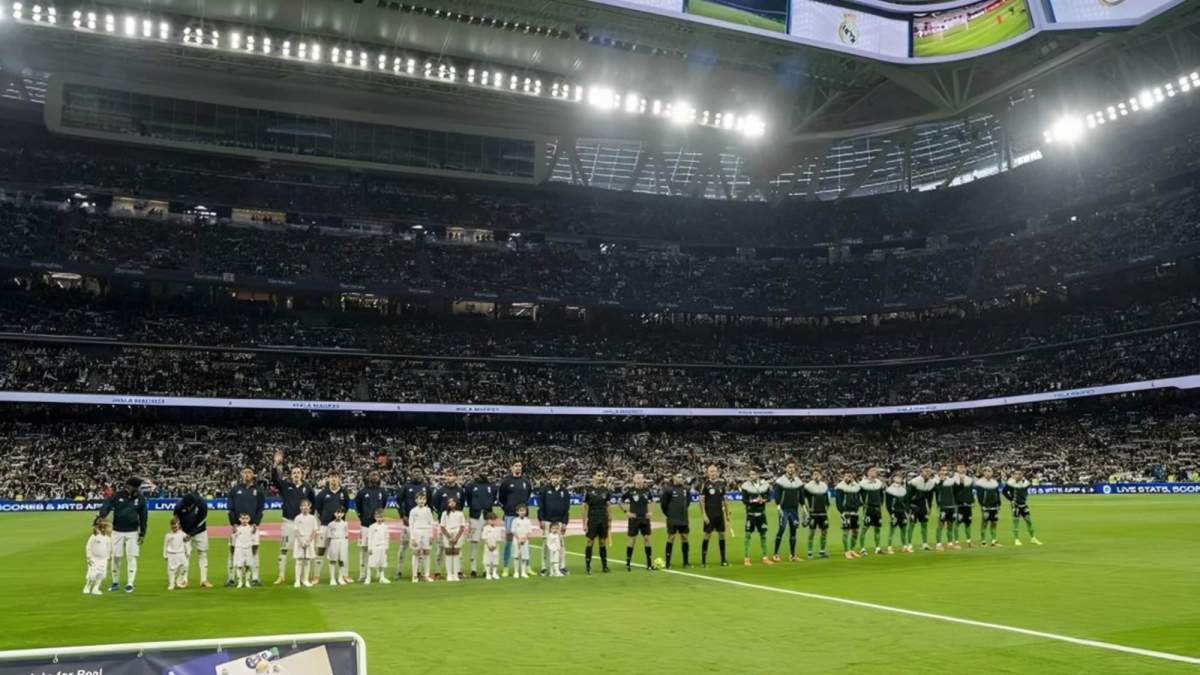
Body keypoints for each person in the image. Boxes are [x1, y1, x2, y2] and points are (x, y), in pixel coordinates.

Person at [271, 450, 315, 585]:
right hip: (288, 522)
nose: (296, 474)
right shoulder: (286, 486)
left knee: (304, 549)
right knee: (284, 549)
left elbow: (313, 503)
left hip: (303, 524)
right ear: (291, 475)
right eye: (294, 472)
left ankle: (303, 577)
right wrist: (275, 465)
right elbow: (274, 480)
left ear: (302, 475)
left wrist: (310, 519)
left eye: (298, 472)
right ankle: (281, 575)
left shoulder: (307, 488)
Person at [98, 476, 148, 593]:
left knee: (131, 557)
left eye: (134, 487)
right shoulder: (118, 495)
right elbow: (107, 505)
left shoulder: (140, 499)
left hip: (133, 532)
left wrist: (142, 533)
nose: (128, 488)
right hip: (117, 531)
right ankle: (115, 582)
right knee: (116, 557)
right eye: (128, 486)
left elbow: (143, 517)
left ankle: (130, 583)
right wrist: (102, 515)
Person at [226, 468, 265, 587]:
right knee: (232, 551)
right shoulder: (235, 490)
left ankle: (255, 578)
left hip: (252, 527)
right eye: (244, 472)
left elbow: (261, 509)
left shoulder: (259, 490)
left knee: (254, 551)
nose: (247, 474)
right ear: (241, 474)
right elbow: (230, 508)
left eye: (249, 472)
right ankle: (231, 578)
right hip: (236, 526)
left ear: (253, 475)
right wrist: (233, 523)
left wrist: (256, 523)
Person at [313, 473, 350, 585]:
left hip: (339, 527)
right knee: (320, 550)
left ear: (339, 479)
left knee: (341, 552)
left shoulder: (344, 493)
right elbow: (318, 508)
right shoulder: (322, 493)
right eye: (332, 477)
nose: (334, 480)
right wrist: (324, 518)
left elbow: (346, 508)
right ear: (329, 479)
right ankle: (316, 576)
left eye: (336, 478)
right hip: (325, 526)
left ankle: (344, 575)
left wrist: (340, 518)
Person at [498, 462, 533, 577]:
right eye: (516, 466)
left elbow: (527, 496)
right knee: (509, 540)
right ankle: (506, 567)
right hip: (510, 514)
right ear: (512, 468)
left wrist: (523, 509)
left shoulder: (526, 482)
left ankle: (527, 567)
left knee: (525, 540)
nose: (518, 468)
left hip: (523, 515)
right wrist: (507, 508)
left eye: (520, 466)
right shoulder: (506, 482)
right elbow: (501, 498)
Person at [354, 470, 389, 583]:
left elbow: (383, 506)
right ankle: (362, 574)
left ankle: (379, 573)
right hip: (365, 526)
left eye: (377, 475)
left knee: (379, 549)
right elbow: (357, 507)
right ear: (368, 477)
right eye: (373, 475)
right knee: (364, 550)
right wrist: (363, 518)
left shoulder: (382, 492)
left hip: (378, 526)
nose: (375, 477)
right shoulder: (362, 492)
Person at [396, 471, 431, 580]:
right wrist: (402, 515)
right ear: (411, 474)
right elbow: (398, 501)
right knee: (403, 547)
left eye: (418, 471)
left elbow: (430, 501)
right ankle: (399, 570)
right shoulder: (406, 486)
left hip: (422, 526)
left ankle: (419, 572)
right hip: (408, 523)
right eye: (415, 471)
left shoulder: (426, 486)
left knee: (422, 550)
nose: (417, 474)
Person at [172, 490, 211, 588]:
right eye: (186, 506)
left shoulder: (202, 503)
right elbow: (176, 519)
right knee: (185, 554)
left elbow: (202, 521)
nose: (188, 508)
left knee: (202, 553)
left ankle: (204, 580)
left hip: (200, 530)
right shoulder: (179, 505)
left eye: (190, 507)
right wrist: (180, 531)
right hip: (185, 531)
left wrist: (191, 534)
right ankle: (184, 580)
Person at [536, 471, 571, 576]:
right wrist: (541, 519)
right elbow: (540, 506)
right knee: (546, 544)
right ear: (550, 478)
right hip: (547, 520)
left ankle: (562, 566)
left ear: (560, 478)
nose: (555, 479)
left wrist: (565, 522)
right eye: (553, 477)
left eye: (557, 477)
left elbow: (567, 508)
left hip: (559, 521)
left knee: (561, 544)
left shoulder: (564, 491)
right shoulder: (544, 490)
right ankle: (544, 567)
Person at [431, 470, 465, 576]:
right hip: (444, 523)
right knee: (441, 547)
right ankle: (437, 570)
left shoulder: (460, 491)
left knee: (457, 547)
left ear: (456, 477)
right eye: (447, 475)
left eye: (450, 475)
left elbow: (462, 504)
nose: (448, 477)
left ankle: (457, 570)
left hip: (456, 523)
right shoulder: (440, 491)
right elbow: (434, 503)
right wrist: (442, 513)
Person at [620, 472, 654, 571]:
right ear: (634, 480)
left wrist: (651, 512)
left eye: (641, 478)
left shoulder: (647, 491)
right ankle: (628, 563)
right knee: (632, 540)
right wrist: (626, 512)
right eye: (638, 478)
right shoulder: (630, 491)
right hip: (634, 519)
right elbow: (620, 501)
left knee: (647, 539)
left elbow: (652, 501)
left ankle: (649, 563)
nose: (640, 480)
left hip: (645, 518)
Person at [698, 464, 731, 568]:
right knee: (707, 535)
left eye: (714, 471)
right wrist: (704, 515)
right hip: (709, 515)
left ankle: (723, 560)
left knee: (722, 535)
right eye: (711, 471)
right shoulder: (705, 484)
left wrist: (727, 513)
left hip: (719, 514)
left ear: (717, 472)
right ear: (708, 473)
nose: (713, 473)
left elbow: (724, 499)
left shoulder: (722, 483)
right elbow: (701, 501)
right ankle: (703, 561)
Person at [581, 470, 613, 574]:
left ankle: (604, 566)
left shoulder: (605, 490)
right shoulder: (588, 490)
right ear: (593, 477)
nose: (600, 477)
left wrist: (610, 520)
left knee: (602, 542)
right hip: (592, 519)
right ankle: (588, 567)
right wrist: (584, 523)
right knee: (590, 541)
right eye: (598, 475)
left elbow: (608, 505)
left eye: (602, 475)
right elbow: (584, 507)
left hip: (603, 519)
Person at [740, 468, 774, 566]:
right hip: (750, 514)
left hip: (761, 514)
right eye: (750, 474)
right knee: (748, 535)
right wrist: (754, 501)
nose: (751, 476)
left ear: (758, 475)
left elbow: (769, 498)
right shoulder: (745, 486)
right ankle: (746, 558)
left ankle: (765, 558)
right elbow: (744, 501)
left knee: (763, 535)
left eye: (753, 474)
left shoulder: (765, 485)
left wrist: (763, 500)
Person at [465, 472, 496, 578]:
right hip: (475, 516)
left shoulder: (491, 486)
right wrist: (475, 507)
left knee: (488, 542)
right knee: (474, 542)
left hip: (488, 516)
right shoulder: (471, 486)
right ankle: (473, 569)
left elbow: (493, 498)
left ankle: (486, 568)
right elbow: (468, 499)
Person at [773, 463, 804, 562]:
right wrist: (778, 507)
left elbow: (801, 496)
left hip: (794, 510)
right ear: (786, 469)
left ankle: (793, 555)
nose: (791, 469)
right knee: (781, 529)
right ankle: (775, 554)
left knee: (793, 531)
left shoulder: (798, 481)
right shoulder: (780, 481)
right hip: (784, 509)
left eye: (793, 467)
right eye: (789, 467)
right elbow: (777, 495)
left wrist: (804, 507)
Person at [660, 473, 691, 569]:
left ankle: (686, 562)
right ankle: (668, 563)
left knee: (685, 537)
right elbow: (663, 505)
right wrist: (669, 514)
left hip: (683, 518)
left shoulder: (686, 489)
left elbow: (688, 502)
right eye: (679, 477)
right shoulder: (668, 490)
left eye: (682, 477)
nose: (681, 478)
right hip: (672, 518)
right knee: (671, 537)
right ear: (674, 478)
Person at [1003, 470, 1042, 546]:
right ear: (1014, 475)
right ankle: (1016, 539)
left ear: (1022, 475)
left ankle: (1033, 538)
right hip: (1015, 505)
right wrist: (1011, 499)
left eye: (1020, 474)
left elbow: (1028, 488)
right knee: (1016, 522)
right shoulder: (1011, 483)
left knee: (1028, 521)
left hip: (1024, 504)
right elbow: (1004, 491)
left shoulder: (1025, 482)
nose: (1018, 475)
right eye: (1016, 474)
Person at [907, 467, 937, 551]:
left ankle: (925, 544)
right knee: (912, 525)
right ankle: (909, 544)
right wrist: (908, 509)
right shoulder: (914, 481)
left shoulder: (931, 483)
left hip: (923, 507)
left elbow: (930, 497)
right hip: (913, 506)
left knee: (924, 525)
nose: (928, 473)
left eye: (929, 472)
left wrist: (930, 507)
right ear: (922, 472)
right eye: (926, 471)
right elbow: (908, 496)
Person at [834, 472, 862, 560]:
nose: (848, 477)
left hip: (854, 512)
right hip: (845, 512)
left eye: (850, 476)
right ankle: (846, 551)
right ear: (843, 477)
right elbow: (838, 501)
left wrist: (857, 507)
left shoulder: (855, 487)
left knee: (855, 531)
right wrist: (842, 511)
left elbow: (858, 499)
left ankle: (852, 550)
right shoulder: (840, 487)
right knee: (846, 532)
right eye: (846, 475)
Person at [408, 491, 436, 583]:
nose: (421, 501)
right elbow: (411, 525)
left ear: (426, 500)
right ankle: (415, 575)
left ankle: (426, 575)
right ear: (416, 500)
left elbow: (431, 523)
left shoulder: (428, 510)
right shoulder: (413, 511)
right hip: (416, 532)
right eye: (420, 499)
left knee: (427, 553)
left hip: (426, 532)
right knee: (416, 553)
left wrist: (431, 535)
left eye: (423, 499)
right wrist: (412, 538)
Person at [803, 470, 830, 559]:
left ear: (821, 476)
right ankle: (810, 552)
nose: (816, 476)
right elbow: (803, 499)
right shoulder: (808, 487)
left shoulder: (824, 486)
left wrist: (826, 509)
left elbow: (827, 500)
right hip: (813, 514)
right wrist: (807, 510)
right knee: (811, 533)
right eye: (814, 474)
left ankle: (822, 551)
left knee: (824, 532)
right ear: (812, 476)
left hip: (823, 514)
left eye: (818, 474)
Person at [292, 499, 319, 588]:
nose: (305, 507)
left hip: (309, 540)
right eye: (303, 506)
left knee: (307, 561)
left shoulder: (312, 518)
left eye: (307, 505)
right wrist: (300, 541)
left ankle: (305, 580)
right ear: (300, 507)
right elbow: (296, 530)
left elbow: (314, 530)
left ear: (309, 507)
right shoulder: (297, 518)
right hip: (299, 540)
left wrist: (309, 541)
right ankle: (297, 580)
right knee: (299, 561)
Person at [439, 498, 467, 582]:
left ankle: (455, 573)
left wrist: (456, 538)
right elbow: (442, 527)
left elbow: (462, 527)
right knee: (448, 553)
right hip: (448, 533)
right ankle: (449, 574)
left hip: (457, 533)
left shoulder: (460, 513)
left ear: (456, 503)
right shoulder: (444, 513)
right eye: (449, 502)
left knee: (456, 553)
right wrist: (449, 537)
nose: (451, 503)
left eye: (453, 502)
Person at [859, 467, 885, 555]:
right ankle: (862, 549)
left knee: (877, 529)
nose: (875, 472)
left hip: (877, 509)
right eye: (872, 471)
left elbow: (881, 495)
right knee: (864, 528)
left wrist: (881, 503)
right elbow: (858, 495)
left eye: (875, 471)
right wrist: (862, 503)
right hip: (868, 508)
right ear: (868, 473)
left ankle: (877, 548)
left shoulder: (879, 483)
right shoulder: (862, 483)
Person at [83, 518, 112, 596]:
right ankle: (87, 586)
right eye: (108, 527)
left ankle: (96, 588)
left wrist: (109, 556)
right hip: (94, 558)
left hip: (104, 559)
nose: (109, 529)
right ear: (102, 528)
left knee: (101, 574)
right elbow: (88, 546)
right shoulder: (94, 537)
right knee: (92, 574)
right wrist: (89, 557)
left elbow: (109, 548)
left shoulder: (107, 538)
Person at [975, 467, 1003, 547]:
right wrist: (982, 505)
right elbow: (979, 496)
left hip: (994, 507)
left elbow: (997, 494)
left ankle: (994, 541)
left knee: (994, 524)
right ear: (983, 473)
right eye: (986, 471)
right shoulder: (980, 483)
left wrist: (999, 504)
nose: (988, 473)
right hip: (986, 507)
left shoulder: (995, 482)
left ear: (992, 473)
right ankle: (983, 542)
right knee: (984, 524)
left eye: (989, 471)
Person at [884, 472, 911, 554]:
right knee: (892, 531)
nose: (899, 478)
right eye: (897, 477)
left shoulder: (904, 489)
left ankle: (904, 546)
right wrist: (891, 513)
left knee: (904, 530)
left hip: (902, 512)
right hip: (894, 512)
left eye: (900, 477)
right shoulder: (889, 489)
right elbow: (888, 504)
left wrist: (907, 512)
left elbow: (906, 502)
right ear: (893, 478)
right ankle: (889, 547)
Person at [364, 509, 392, 585]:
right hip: (374, 547)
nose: (379, 519)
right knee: (371, 563)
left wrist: (387, 547)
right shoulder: (372, 527)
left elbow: (387, 537)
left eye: (381, 517)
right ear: (375, 517)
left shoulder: (385, 527)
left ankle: (382, 577)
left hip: (382, 547)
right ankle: (368, 577)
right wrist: (370, 548)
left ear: (383, 517)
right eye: (378, 517)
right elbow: (370, 538)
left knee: (382, 563)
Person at [934, 466, 958, 551]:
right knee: (940, 525)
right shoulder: (936, 481)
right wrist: (941, 480)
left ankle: (950, 543)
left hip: (952, 506)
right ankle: (938, 544)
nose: (944, 472)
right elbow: (937, 491)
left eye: (946, 470)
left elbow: (955, 491)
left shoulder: (951, 481)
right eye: (943, 470)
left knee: (950, 525)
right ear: (939, 471)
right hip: (943, 506)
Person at [326, 508, 352, 586]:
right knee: (333, 560)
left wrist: (345, 544)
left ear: (343, 514)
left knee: (342, 561)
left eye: (340, 513)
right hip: (334, 541)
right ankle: (332, 579)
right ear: (334, 514)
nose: (339, 514)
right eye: (337, 513)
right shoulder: (331, 524)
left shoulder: (345, 524)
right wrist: (328, 548)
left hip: (343, 542)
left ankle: (340, 578)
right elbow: (328, 536)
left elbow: (347, 535)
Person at [163, 516, 189, 591]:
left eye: (176, 525)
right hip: (171, 554)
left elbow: (186, 542)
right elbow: (165, 545)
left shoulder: (183, 534)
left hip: (181, 553)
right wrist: (164, 554)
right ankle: (171, 584)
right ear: (171, 526)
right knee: (172, 570)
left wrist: (188, 551)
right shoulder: (168, 535)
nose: (174, 527)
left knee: (185, 566)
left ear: (178, 525)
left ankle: (178, 580)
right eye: (173, 526)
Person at [953, 463, 975, 548]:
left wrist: (972, 501)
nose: (962, 469)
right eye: (960, 467)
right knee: (957, 524)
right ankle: (956, 542)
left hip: (968, 506)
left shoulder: (969, 479)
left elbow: (970, 492)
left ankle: (969, 542)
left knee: (968, 524)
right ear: (957, 469)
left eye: (963, 467)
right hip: (959, 506)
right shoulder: (953, 480)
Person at [231, 513, 256, 589]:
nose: (244, 520)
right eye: (243, 518)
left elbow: (253, 532)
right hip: (239, 548)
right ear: (239, 519)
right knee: (239, 566)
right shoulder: (237, 528)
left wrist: (254, 528)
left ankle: (247, 581)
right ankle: (240, 582)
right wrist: (234, 529)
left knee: (248, 565)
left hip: (248, 548)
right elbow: (233, 534)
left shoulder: (251, 528)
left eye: (246, 518)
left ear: (249, 519)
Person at [510, 503, 534, 579]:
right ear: (517, 512)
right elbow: (513, 531)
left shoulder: (528, 521)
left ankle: (523, 572)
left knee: (524, 556)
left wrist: (524, 539)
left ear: (526, 511)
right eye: (520, 511)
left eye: (524, 511)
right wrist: (518, 539)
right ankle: (516, 572)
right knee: (516, 556)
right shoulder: (515, 520)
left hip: (525, 541)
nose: (522, 512)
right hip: (516, 540)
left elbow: (529, 531)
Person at [481, 512, 504, 580]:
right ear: (487, 520)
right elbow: (484, 537)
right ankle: (488, 573)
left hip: (495, 546)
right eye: (491, 520)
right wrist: (489, 545)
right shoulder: (485, 528)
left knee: (495, 559)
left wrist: (495, 545)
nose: (492, 521)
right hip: (488, 546)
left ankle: (494, 572)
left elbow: (499, 538)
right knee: (487, 559)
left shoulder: (498, 529)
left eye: (494, 520)